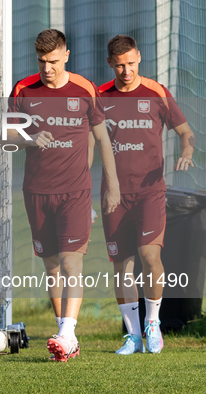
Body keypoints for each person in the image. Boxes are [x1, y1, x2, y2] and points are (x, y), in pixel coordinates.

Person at [4, 29, 120, 362]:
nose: (47, 68)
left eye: (53, 61)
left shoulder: (85, 89)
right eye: (42, 61)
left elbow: (102, 139)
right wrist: (29, 137)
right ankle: (64, 334)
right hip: (37, 192)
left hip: (75, 191)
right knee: (52, 267)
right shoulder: (24, 89)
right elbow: (5, 135)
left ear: (66, 55)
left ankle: (68, 332)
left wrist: (111, 184)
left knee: (72, 263)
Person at [95, 35, 194, 355]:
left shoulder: (156, 92)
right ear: (110, 63)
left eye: (132, 64)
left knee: (150, 257)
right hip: (114, 195)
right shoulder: (99, 97)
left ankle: (153, 324)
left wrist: (187, 151)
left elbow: (185, 132)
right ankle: (132, 335)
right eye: (120, 65)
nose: (127, 71)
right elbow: (86, 143)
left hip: (151, 191)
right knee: (122, 265)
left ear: (139, 58)